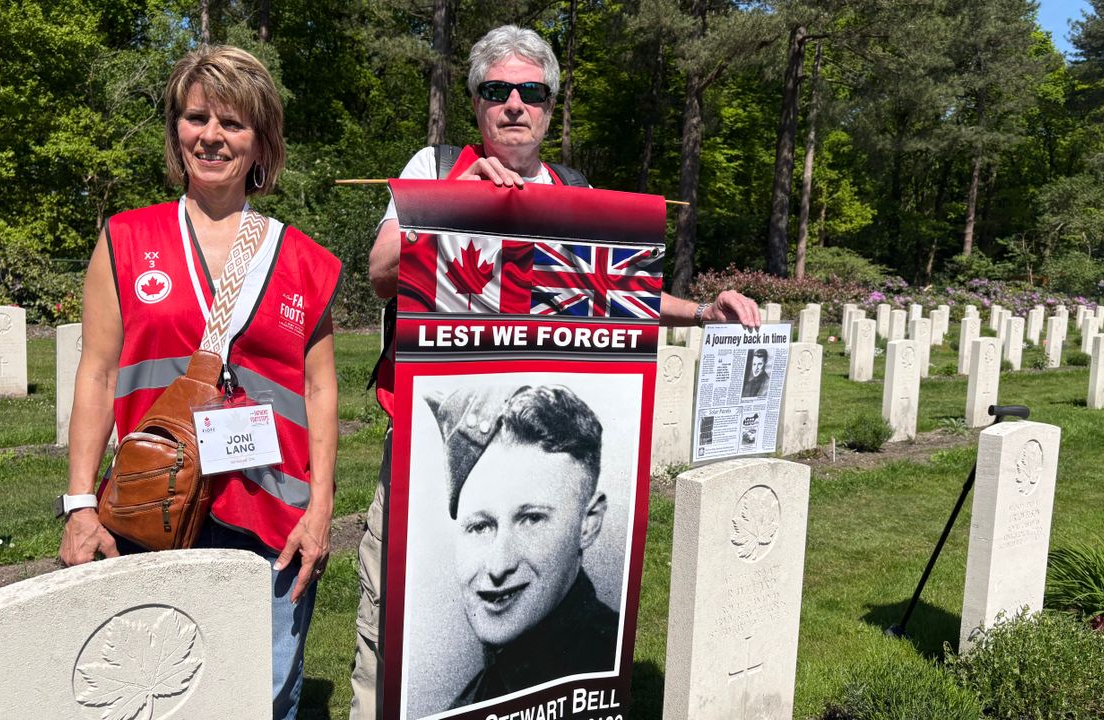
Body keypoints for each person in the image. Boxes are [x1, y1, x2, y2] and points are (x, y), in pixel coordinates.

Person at [352, 25, 762, 719]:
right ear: (476, 102)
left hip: (538, 447)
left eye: (531, 93)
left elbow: (618, 295)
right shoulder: (436, 166)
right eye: (497, 90)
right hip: (430, 458)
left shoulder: (574, 190)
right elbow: (381, 275)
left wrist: (701, 312)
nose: (514, 104)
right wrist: (457, 203)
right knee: (388, 646)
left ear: (548, 106)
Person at [56, 45, 342, 720]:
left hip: (272, 516)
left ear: (261, 142)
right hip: (148, 509)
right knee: (151, 697)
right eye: (196, 117)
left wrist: (321, 509)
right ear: (176, 129)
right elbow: (97, 374)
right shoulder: (126, 240)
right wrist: (79, 504)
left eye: (232, 123)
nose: (211, 136)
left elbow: (320, 390)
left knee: (262, 698)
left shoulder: (304, 260)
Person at [425, 384, 619, 707]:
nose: (499, 566)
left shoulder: (608, 669)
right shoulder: (469, 701)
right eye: (480, 526)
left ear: (588, 523)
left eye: (531, 519)